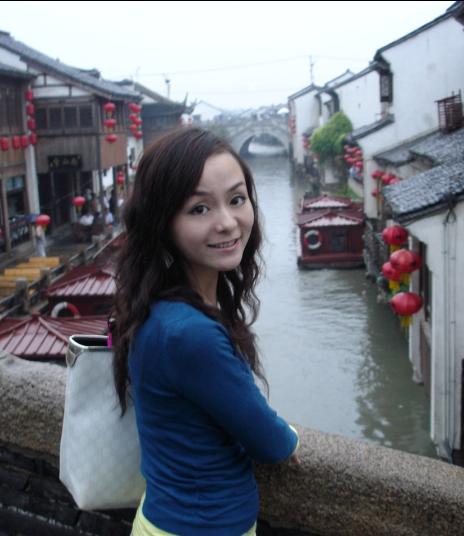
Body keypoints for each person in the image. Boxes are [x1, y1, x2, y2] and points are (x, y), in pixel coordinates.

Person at [113, 127, 300, 536]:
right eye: (200, 209)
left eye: (236, 200)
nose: (228, 223)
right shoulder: (188, 334)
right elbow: (271, 443)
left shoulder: (159, 308)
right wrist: (291, 438)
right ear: (162, 223)